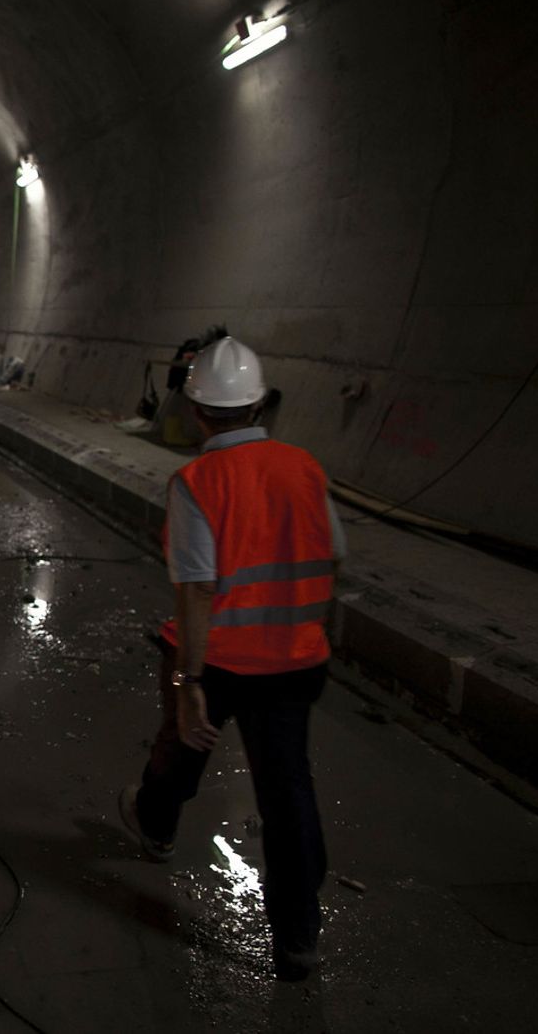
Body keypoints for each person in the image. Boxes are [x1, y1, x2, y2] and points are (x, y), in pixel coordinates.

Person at [117, 337, 345, 981]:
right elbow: (335, 553)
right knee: (287, 791)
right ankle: (298, 936)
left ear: (194, 410)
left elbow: (197, 588)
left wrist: (190, 681)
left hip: (219, 662)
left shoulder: (197, 482)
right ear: (261, 405)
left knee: (181, 750)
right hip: (295, 664)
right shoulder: (305, 467)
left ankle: (156, 827)